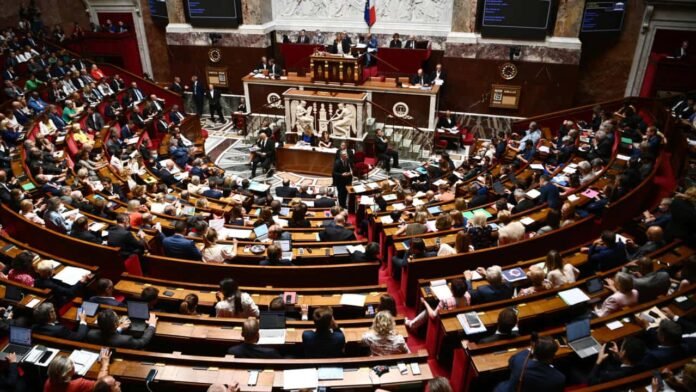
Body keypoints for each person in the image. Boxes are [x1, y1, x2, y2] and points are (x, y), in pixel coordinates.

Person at [494, 336, 565, 392]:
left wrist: (530, 349)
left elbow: (511, 362)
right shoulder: (558, 378)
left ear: (534, 351)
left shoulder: (519, 361)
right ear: (553, 356)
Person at [44, 349, 112, 392]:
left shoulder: (48, 382)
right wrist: (105, 364)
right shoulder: (78, 384)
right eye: (72, 365)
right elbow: (101, 384)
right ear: (67, 373)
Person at [86, 309, 157, 349]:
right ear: (116, 324)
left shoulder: (90, 334)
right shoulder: (126, 339)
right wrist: (152, 325)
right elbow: (142, 342)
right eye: (118, 318)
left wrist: (120, 328)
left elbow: (107, 335)